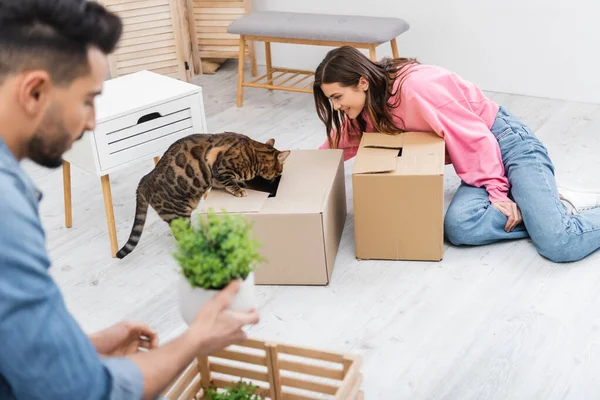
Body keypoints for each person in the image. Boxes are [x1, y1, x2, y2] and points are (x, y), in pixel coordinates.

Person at [0, 1, 259, 399]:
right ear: (35, 91)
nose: (91, 122)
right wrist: (194, 340)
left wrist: (78, 349)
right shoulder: (7, 212)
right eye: (89, 100)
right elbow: (83, 393)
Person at [314, 46, 600, 263]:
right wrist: (304, 164)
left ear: (362, 82)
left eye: (337, 97)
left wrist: (498, 193)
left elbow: (476, 137)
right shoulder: (370, 106)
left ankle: (546, 214)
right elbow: (342, 142)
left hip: (507, 144)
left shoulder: (416, 88)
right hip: (479, 159)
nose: (336, 106)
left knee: (560, 243)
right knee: (460, 228)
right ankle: (545, 206)